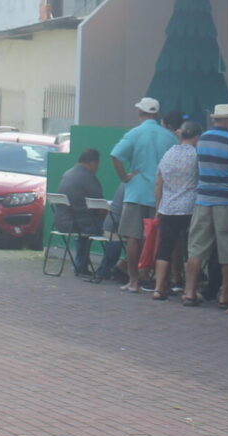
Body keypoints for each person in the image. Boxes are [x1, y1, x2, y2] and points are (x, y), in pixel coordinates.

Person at [184, 104, 228, 307]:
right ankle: (225, 295)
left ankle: (189, 292)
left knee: (196, 248)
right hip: (227, 202)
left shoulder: (202, 139)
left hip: (203, 200)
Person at [111, 97, 177, 293]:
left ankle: (134, 281)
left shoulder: (134, 133)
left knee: (133, 237)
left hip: (137, 191)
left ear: (140, 113)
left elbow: (115, 155)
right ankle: (155, 280)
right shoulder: (169, 137)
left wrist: (124, 177)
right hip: (162, 194)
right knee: (159, 237)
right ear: (157, 115)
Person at [151, 122, 201, 300]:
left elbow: (159, 182)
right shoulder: (196, 155)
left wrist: (158, 206)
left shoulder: (168, 154)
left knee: (165, 248)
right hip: (189, 208)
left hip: (168, 208)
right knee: (190, 249)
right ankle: (189, 290)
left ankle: (158, 288)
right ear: (196, 137)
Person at [57, 148, 106, 277]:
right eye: (97, 164)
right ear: (93, 163)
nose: (97, 167)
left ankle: (80, 266)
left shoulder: (67, 174)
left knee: (84, 232)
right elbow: (100, 205)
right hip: (80, 224)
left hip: (61, 222)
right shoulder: (88, 178)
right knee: (113, 232)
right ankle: (105, 270)